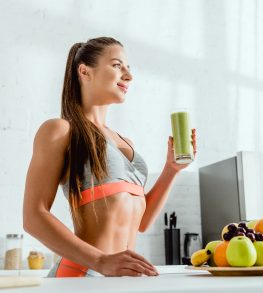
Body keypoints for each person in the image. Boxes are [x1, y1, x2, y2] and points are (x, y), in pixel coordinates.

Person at [23, 37, 197, 277]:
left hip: (120, 277)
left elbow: (142, 222)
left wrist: (171, 170)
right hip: (84, 274)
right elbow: (34, 216)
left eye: (128, 68)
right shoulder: (61, 130)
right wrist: (101, 260)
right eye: (117, 65)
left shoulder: (125, 142)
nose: (128, 76)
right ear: (85, 71)